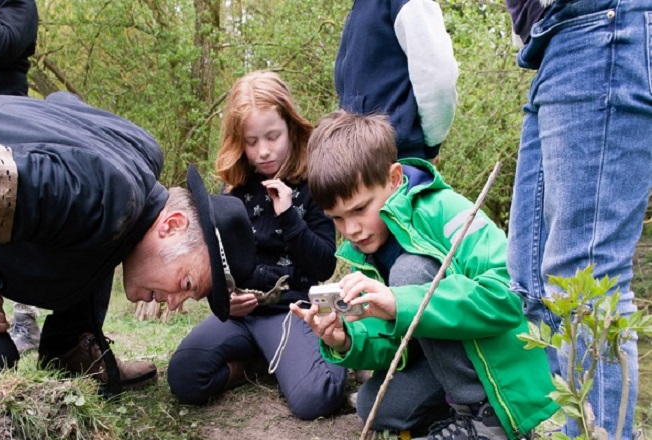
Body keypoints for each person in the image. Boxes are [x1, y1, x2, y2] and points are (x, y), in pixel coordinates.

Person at [292, 111, 558, 439]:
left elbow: (509, 296)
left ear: (393, 178)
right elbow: (396, 344)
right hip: (444, 361)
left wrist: (399, 301)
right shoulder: (367, 249)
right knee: (373, 405)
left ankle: (485, 421)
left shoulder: (446, 211)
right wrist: (344, 339)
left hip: (501, 364)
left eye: (360, 209)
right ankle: (455, 415)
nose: (352, 230)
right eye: (337, 219)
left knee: (410, 272)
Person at [0, 91, 256, 395]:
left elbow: (62, 101)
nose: (172, 304)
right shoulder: (105, 199)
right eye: (186, 284)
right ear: (173, 225)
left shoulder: (141, 150)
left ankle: (69, 348)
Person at [504, 1, 652, 438]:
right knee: (530, 281)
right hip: (555, 42)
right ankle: (570, 429)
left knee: (585, 283)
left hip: (604, 29)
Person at [167, 71, 347, 420]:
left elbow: (324, 265)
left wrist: (288, 216)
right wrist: (224, 301)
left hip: (291, 312)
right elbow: (215, 262)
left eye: (273, 136)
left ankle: (298, 356)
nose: (263, 151)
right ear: (239, 141)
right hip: (241, 319)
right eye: (252, 141)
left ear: (291, 128)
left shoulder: (313, 184)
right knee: (185, 378)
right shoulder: (232, 189)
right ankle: (254, 364)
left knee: (317, 396)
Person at [334, 0, 458, 161]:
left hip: (397, 162)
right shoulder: (361, 7)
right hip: (360, 164)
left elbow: (438, 81)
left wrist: (430, 146)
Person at [0, 0, 42, 354]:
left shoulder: (18, 2)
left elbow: (3, 42)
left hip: (9, 131)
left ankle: (25, 317)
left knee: (14, 221)